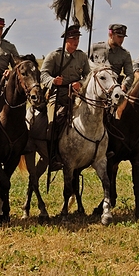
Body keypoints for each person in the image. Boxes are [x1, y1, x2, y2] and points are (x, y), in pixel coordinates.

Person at [40, 24, 91, 169]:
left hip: (76, 96)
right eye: (73, 38)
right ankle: (53, 156)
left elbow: (88, 75)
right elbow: (43, 74)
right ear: (66, 40)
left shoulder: (82, 56)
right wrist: (53, 81)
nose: (76, 41)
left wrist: (81, 83)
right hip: (57, 95)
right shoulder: (55, 55)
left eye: (77, 38)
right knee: (53, 123)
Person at [91, 24, 133, 92]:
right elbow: (84, 63)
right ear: (111, 35)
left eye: (123, 37)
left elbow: (130, 74)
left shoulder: (125, 54)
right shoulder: (96, 48)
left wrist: (125, 85)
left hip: (113, 89)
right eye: (119, 37)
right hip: (95, 88)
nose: (121, 39)